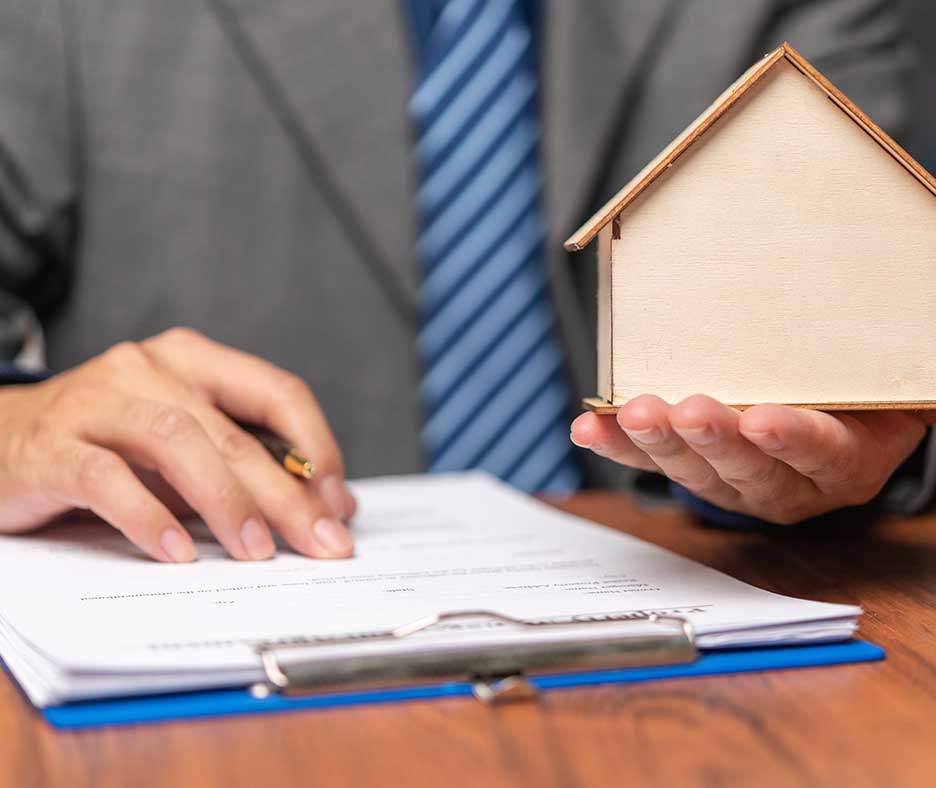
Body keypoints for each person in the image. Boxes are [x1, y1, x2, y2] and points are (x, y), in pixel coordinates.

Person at [0, 0, 931, 561]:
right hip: (236, 614)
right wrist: (18, 427)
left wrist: (879, 434)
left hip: (721, 622)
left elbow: (896, 292)